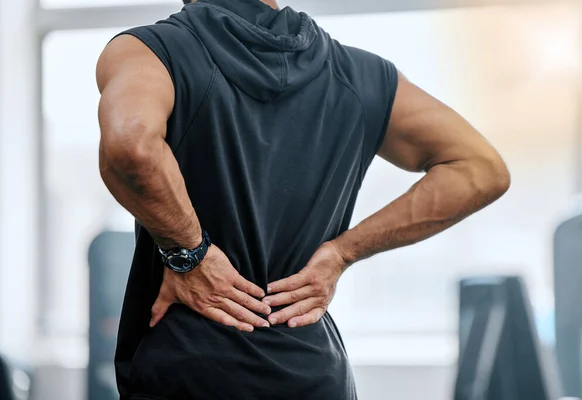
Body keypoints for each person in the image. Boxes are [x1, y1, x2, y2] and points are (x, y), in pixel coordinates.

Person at [96, 0, 511, 399]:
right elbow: (479, 169)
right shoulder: (358, 75)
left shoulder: (150, 51)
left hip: (190, 368)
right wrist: (341, 253)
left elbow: (131, 146)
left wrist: (190, 252)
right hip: (313, 375)